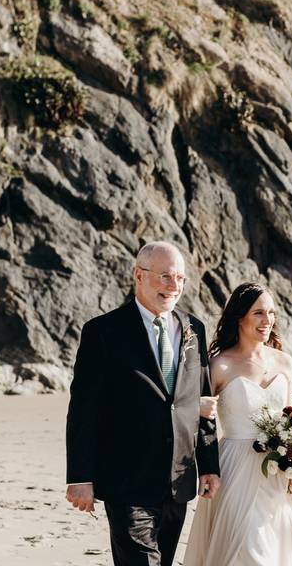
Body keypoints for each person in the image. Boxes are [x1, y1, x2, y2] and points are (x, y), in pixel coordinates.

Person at [65, 241, 220, 566]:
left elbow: (202, 402)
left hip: (177, 479)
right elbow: (84, 409)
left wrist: (208, 465)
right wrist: (80, 476)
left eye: (179, 278)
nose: (173, 286)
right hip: (125, 481)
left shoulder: (194, 329)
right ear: (139, 275)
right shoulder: (103, 332)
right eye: (165, 276)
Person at [183, 282, 292, 565]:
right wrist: (206, 469)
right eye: (259, 312)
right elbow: (203, 423)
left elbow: (290, 422)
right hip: (234, 470)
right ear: (239, 316)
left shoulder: (285, 363)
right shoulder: (219, 365)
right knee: (249, 549)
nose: (267, 320)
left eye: (271, 313)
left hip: (277, 471)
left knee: (283, 549)